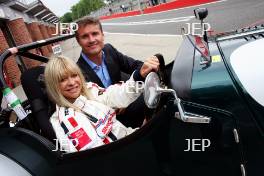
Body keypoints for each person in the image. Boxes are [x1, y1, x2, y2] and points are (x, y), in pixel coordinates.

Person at [44, 55, 159, 153]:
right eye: (62, 80)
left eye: (74, 75)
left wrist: (139, 75)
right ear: (54, 86)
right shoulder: (67, 120)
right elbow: (99, 156)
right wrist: (140, 137)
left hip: (130, 139)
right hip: (123, 154)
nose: (72, 83)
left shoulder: (89, 89)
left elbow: (114, 95)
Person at [75, 16, 147, 128]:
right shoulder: (77, 72)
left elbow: (137, 66)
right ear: (78, 41)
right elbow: (91, 106)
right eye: (85, 36)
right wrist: (118, 101)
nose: (91, 40)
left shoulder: (109, 50)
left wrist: (122, 87)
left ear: (102, 35)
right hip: (108, 122)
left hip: (127, 102)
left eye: (95, 34)